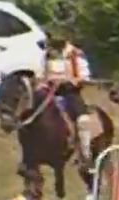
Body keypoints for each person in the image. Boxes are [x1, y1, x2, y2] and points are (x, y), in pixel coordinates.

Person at [44, 34, 94, 172]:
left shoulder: (76, 55)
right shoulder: (47, 54)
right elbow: (42, 73)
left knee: (83, 121)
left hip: (70, 93)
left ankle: (86, 155)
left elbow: (85, 76)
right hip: (49, 92)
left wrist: (74, 80)